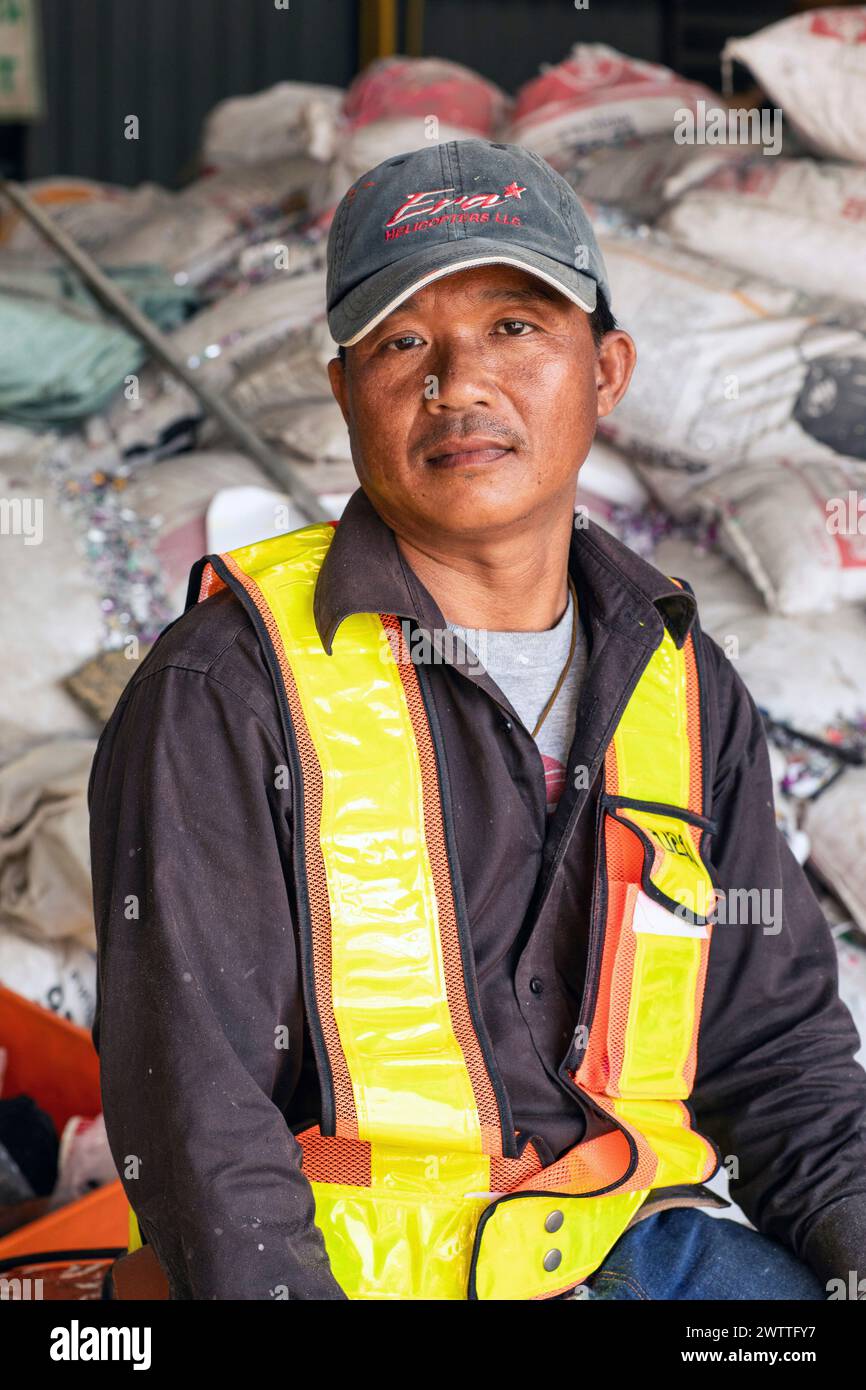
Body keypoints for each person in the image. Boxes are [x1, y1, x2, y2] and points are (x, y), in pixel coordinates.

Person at [90, 139, 866, 1301]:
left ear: (605, 371)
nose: (459, 385)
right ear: (345, 388)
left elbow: (776, 1054)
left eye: (514, 328)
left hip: (633, 1253)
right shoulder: (228, 688)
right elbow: (201, 1124)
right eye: (404, 342)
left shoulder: (679, 678)